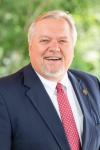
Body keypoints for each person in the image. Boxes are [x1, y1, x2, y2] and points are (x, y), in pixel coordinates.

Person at [0, 10, 100, 150]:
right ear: (30, 47)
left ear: (73, 48)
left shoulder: (92, 84)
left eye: (62, 41)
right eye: (45, 40)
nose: (54, 48)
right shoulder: (4, 93)